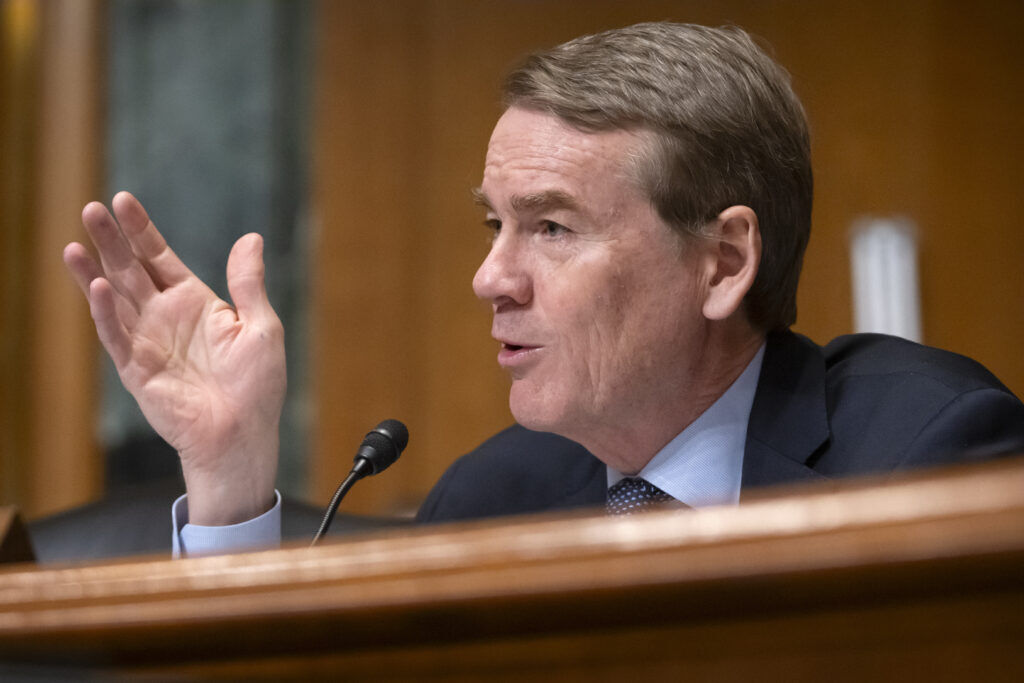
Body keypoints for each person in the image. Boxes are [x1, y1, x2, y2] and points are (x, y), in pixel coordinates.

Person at [63, 23, 1024, 555]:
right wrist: (232, 482)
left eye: (552, 228)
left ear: (724, 263)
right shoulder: (494, 495)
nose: (490, 276)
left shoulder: (926, 458)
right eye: (496, 224)